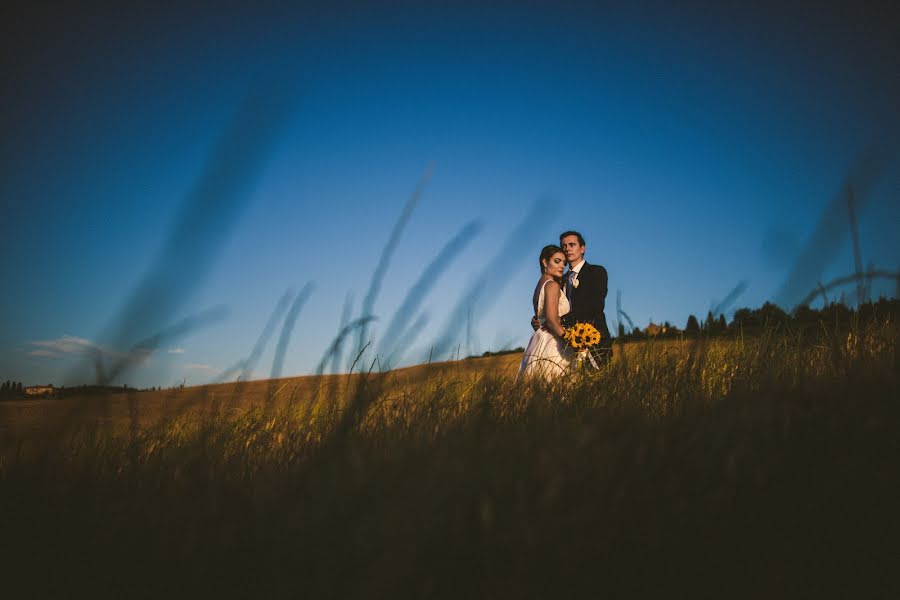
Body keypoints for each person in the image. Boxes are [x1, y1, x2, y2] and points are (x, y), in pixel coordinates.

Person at [532, 231, 612, 369]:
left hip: (593, 343)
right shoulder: (558, 280)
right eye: (564, 246)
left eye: (572, 245)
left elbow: (595, 306)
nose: (567, 248)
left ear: (582, 248)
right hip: (563, 346)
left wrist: (558, 320)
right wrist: (541, 320)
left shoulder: (596, 272)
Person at [517, 245, 573, 380]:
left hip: (538, 341)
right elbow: (552, 320)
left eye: (564, 263)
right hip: (554, 342)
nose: (562, 266)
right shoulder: (552, 285)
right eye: (557, 261)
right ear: (545, 262)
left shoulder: (539, 286)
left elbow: (541, 318)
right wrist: (571, 342)